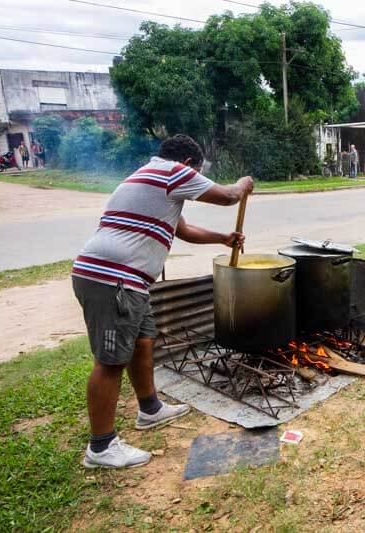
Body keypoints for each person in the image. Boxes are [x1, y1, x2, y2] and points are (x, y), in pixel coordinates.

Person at [72, 134, 254, 469]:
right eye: (197, 173)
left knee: (143, 341)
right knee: (110, 361)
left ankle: (150, 409)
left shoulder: (147, 178)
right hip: (112, 280)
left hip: (127, 281)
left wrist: (223, 238)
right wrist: (243, 183)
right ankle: (101, 447)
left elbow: (181, 230)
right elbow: (229, 196)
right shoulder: (173, 173)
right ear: (188, 165)